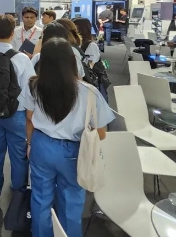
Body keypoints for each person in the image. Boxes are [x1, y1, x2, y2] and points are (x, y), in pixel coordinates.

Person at [22, 38, 115, 237]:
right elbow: (101, 133)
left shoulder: (34, 86)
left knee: (40, 198)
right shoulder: (89, 92)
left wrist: (30, 143)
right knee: (71, 201)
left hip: (41, 145)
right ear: (72, 61)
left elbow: (29, 119)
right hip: (74, 150)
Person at [0, 14, 34, 209]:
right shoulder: (21, 58)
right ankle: (18, 191)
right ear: (13, 33)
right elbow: (29, 90)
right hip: (16, 114)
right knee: (19, 154)